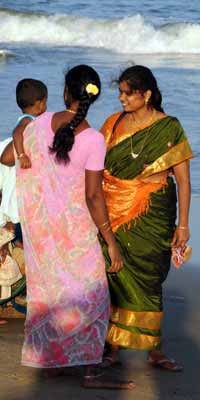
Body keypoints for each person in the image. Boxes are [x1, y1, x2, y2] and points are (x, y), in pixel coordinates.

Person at [1, 65, 134, 390]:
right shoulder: (92, 138)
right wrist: (110, 239)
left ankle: (51, 363)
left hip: (43, 231)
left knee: (49, 294)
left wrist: (23, 147)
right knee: (92, 296)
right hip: (75, 231)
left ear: (63, 93)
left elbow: (6, 158)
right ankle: (89, 371)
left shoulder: (40, 122)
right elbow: (93, 195)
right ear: (95, 97)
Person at [99, 65, 194, 371]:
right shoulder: (113, 124)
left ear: (147, 94)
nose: (122, 98)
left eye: (129, 93)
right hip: (113, 212)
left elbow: (183, 180)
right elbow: (95, 168)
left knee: (150, 278)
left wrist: (183, 225)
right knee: (115, 275)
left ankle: (154, 349)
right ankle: (112, 346)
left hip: (153, 214)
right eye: (120, 92)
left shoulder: (169, 127)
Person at [0, 78, 48, 247]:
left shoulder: (28, 120)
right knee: (16, 202)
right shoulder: (28, 121)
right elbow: (17, 133)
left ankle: (15, 238)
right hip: (18, 163)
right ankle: (13, 237)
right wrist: (21, 155)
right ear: (40, 103)